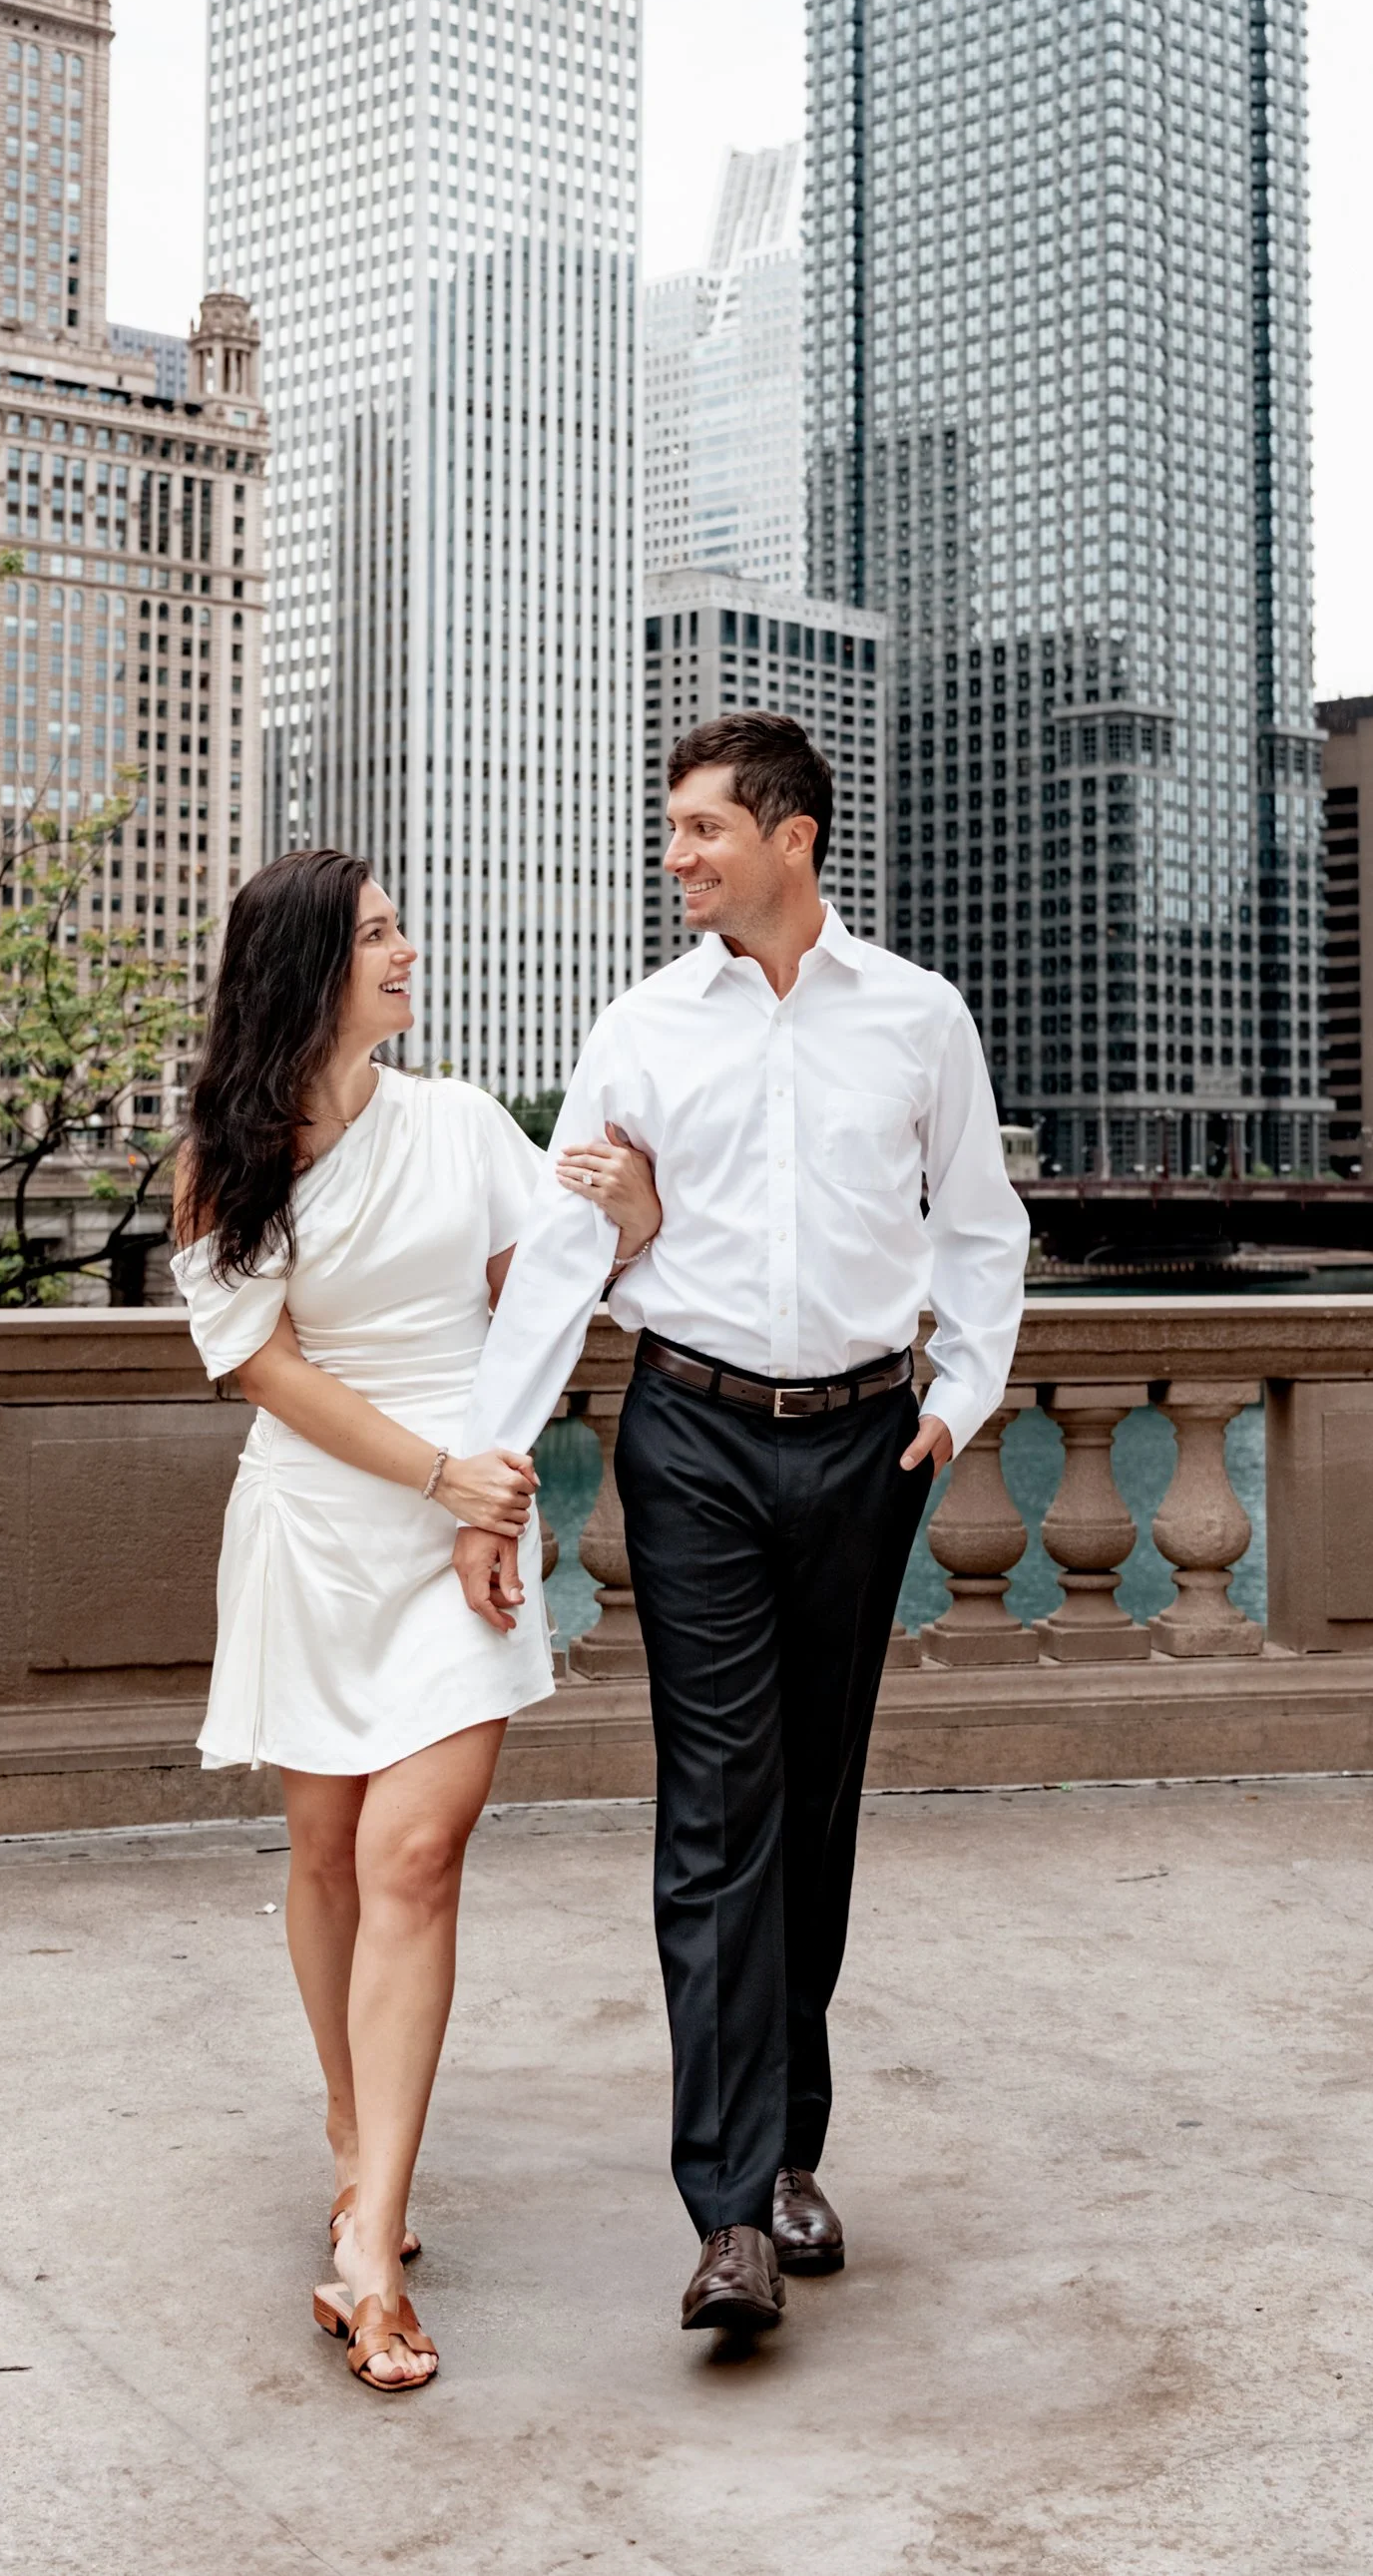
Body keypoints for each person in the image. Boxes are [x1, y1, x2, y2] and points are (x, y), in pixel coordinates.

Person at [460, 714, 1030, 2340]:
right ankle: (728, 2214)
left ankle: (793, 2155)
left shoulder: (921, 1019)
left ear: (792, 838)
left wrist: (960, 1397)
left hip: (865, 1445)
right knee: (719, 1806)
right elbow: (575, 1252)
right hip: (692, 1435)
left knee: (819, 1799)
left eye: (702, 828)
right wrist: (494, 1465)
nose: (676, 854)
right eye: (672, 828)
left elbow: (980, 1230)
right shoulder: (640, 1027)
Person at [170, 847, 661, 2392]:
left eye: (399, 929)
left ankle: (369, 2244)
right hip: (322, 1528)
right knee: (324, 1855)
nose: (408, 951)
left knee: (413, 1856)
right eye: (379, 934)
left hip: (467, 1537)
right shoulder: (222, 1155)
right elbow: (263, 1365)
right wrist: (438, 1475)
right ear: (307, 969)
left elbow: (545, 1305)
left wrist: (631, 1224)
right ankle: (351, 2126)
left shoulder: (458, 1122)